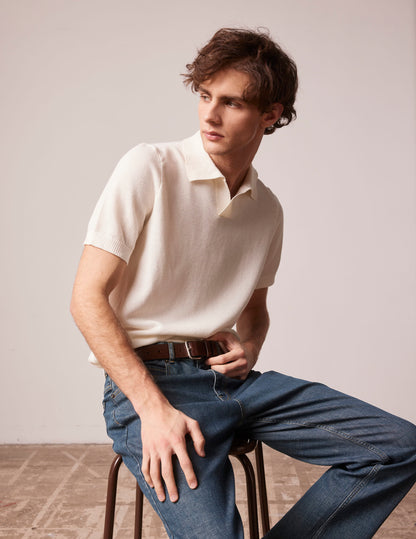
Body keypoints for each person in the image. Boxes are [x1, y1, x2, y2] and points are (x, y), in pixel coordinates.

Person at [71, 27, 416, 538]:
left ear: (270, 114)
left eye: (231, 102)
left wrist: (249, 348)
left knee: (397, 446)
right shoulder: (150, 166)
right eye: (205, 96)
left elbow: (256, 310)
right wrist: (153, 410)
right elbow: (86, 299)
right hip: (152, 387)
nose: (210, 115)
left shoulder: (267, 208)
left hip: (234, 384)